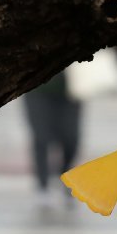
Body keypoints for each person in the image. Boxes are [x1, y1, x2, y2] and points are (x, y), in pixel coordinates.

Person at [24, 71, 82, 205]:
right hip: (36, 88)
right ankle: (42, 184)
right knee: (41, 136)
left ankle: (65, 176)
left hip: (71, 87)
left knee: (71, 138)